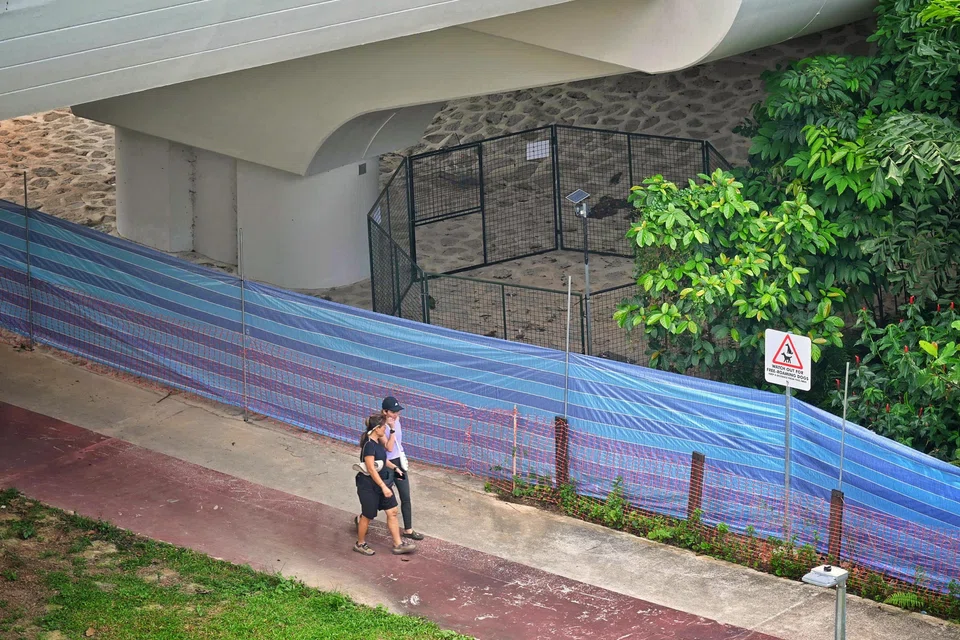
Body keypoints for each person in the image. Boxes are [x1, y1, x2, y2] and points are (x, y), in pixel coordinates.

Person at [353, 413, 416, 556]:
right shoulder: (369, 446)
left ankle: (398, 544)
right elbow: (370, 469)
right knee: (367, 516)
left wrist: (395, 468)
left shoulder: (378, 443)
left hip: (381, 482)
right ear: (376, 429)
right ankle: (360, 543)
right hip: (369, 485)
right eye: (383, 426)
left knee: (392, 511)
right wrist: (383, 487)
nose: (385, 429)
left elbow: (382, 459)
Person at [380, 396, 424, 541]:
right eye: (393, 412)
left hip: (399, 465)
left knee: (405, 496)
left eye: (398, 411)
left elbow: (398, 444)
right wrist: (391, 429)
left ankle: (408, 530)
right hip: (387, 466)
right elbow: (389, 447)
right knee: (381, 498)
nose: (396, 414)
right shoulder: (380, 427)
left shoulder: (397, 420)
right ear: (385, 411)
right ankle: (363, 519)